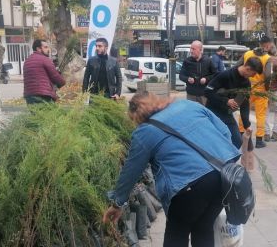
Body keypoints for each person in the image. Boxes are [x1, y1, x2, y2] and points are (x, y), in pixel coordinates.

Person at [102, 92, 240, 247]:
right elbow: (225, 132)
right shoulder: (189, 105)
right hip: (224, 178)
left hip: (189, 188)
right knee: (203, 228)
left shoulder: (145, 132)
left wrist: (117, 204)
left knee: (177, 235)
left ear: (136, 116)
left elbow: (131, 172)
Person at [205, 56, 264, 148]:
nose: (253, 76)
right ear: (248, 68)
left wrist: (247, 125)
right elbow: (207, 91)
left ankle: (226, 160)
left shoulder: (246, 83)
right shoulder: (225, 75)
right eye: (253, 73)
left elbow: (244, 104)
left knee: (237, 141)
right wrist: (226, 101)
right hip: (213, 112)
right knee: (212, 141)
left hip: (226, 114)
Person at [237, 36, 273, 148]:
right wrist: (267, 88)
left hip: (246, 87)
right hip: (261, 90)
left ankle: (241, 135)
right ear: (267, 45)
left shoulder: (247, 54)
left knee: (244, 111)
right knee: (260, 115)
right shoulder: (267, 58)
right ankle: (259, 140)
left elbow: (238, 66)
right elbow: (267, 76)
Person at [23, 40, 66, 104]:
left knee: (36, 114)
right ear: (38, 49)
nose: (48, 49)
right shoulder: (45, 59)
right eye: (45, 47)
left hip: (29, 96)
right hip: (44, 95)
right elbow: (55, 76)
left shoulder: (27, 61)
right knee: (51, 113)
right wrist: (62, 82)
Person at [179, 40, 217, 105]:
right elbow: (181, 75)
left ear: (200, 50)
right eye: (191, 48)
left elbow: (215, 75)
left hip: (204, 95)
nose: (191, 51)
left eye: (193, 49)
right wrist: (187, 79)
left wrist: (206, 79)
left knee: (203, 114)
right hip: (191, 95)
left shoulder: (208, 61)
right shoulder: (187, 61)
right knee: (191, 114)